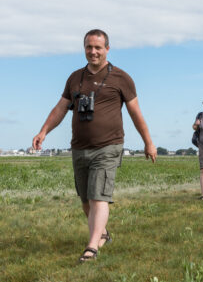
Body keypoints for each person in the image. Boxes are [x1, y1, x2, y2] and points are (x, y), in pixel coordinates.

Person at [32, 29, 157, 263]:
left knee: (99, 196)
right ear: (84, 49)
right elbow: (60, 108)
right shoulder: (75, 77)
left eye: (98, 47)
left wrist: (148, 142)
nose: (93, 52)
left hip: (108, 146)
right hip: (79, 147)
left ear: (107, 49)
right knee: (86, 199)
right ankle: (103, 234)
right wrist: (43, 131)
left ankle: (92, 247)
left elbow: (135, 112)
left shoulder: (121, 78)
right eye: (89, 47)